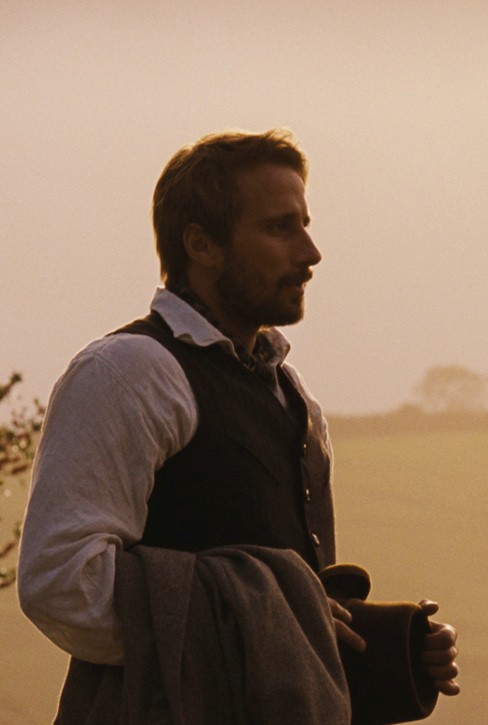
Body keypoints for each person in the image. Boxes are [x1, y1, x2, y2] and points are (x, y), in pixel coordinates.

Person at [18, 129, 460, 720]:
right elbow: (61, 584)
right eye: (280, 228)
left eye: (305, 224)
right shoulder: (128, 373)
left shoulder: (292, 396)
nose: (310, 252)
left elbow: (296, 610)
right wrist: (267, 617)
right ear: (202, 244)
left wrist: (387, 647)